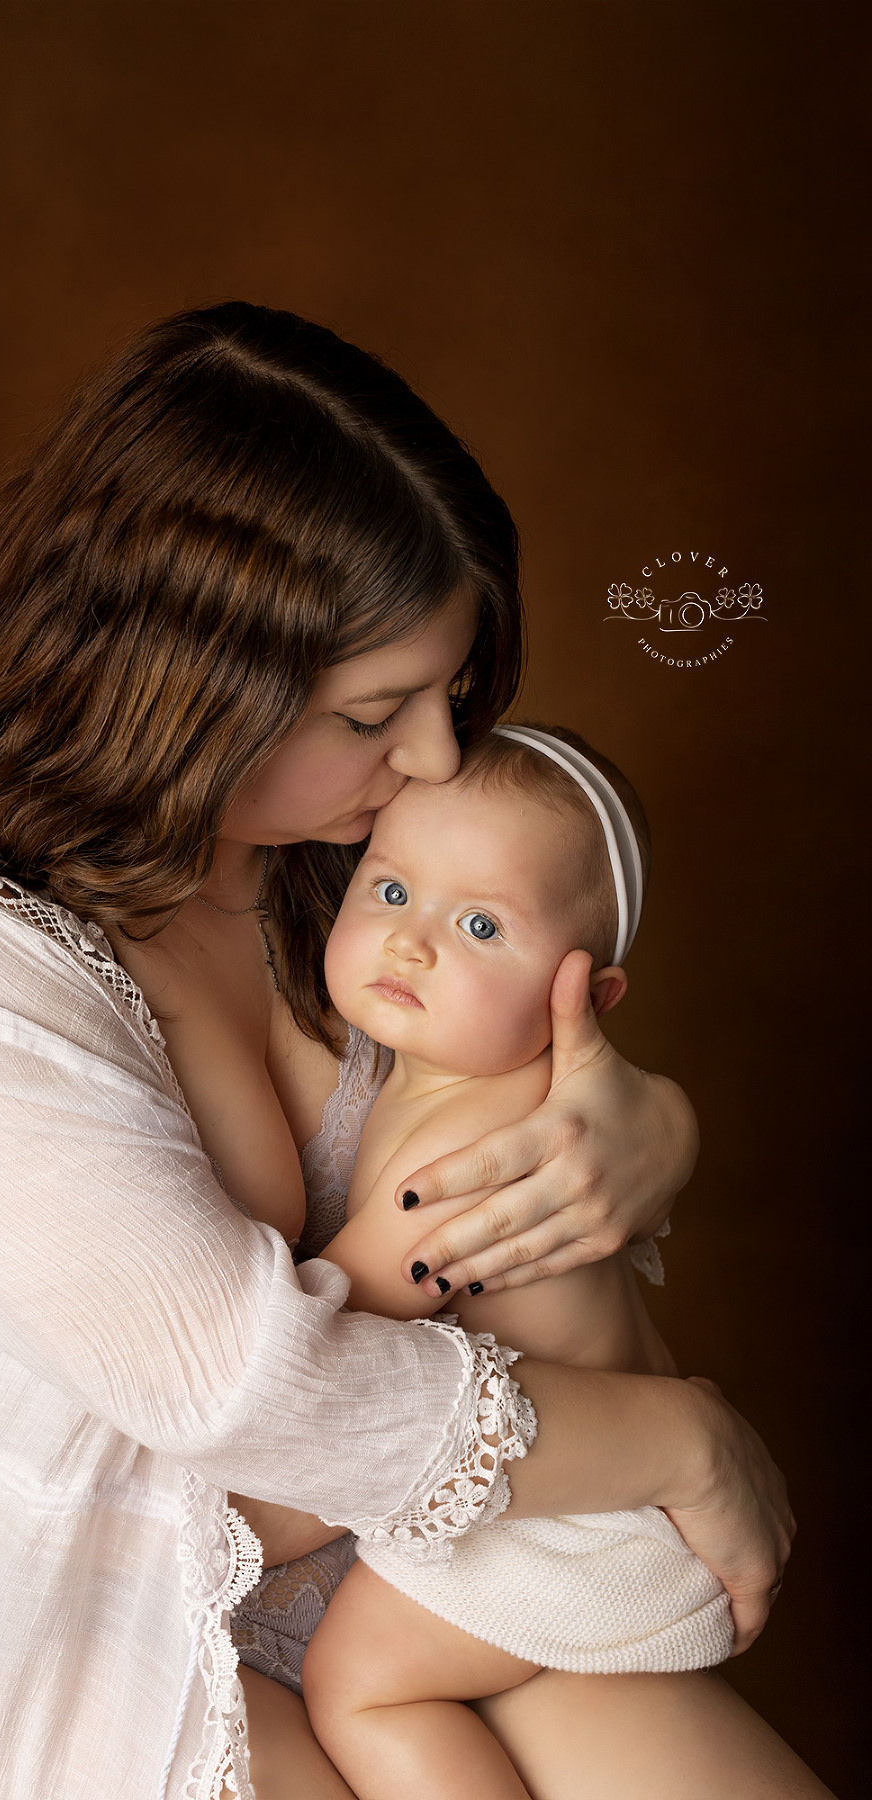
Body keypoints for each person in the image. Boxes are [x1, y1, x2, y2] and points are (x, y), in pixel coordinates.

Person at [0, 303, 790, 1800]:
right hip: (140, 1645)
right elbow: (244, 1400)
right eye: (377, 710)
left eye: (448, 695)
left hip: (444, 1589)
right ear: (191, 680)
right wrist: (677, 1443)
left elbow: (519, 1125)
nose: (433, 757)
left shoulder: (330, 867)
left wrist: (644, 1126)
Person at [293, 726, 829, 1798]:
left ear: (585, 999)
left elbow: (310, 1335)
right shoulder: (450, 1080)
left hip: (587, 1519)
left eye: (480, 924)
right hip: (599, 1484)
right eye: (392, 892)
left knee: (359, 1682)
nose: (413, 943)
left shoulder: (464, 1158)